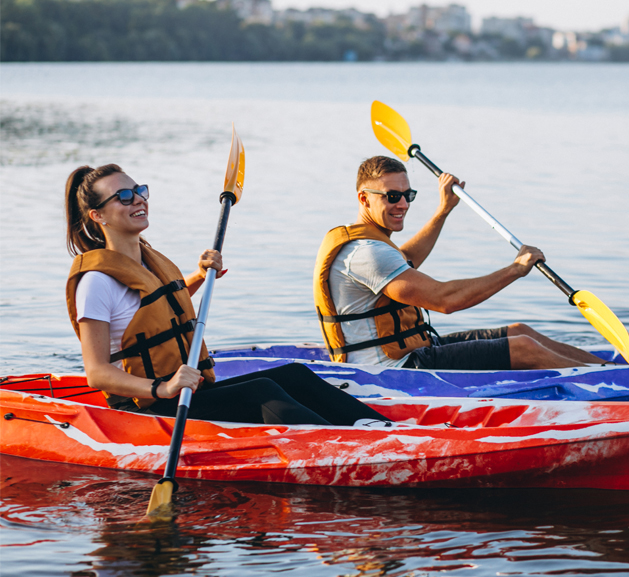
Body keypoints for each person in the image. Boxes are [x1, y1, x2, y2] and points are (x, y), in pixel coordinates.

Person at [65, 163, 389, 426]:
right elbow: (97, 373)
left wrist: (200, 275)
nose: (138, 199)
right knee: (260, 391)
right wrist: (162, 387)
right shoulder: (96, 282)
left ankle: (379, 430)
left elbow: (156, 310)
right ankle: (344, 447)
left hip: (188, 393)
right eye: (123, 196)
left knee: (294, 374)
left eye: (140, 191)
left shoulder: (147, 262)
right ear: (98, 216)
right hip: (151, 407)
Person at [313, 156, 629, 370]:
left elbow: (406, 258)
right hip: (386, 374)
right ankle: (628, 383)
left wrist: (443, 210)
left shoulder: (370, 246)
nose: (403, 204)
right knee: (524, 349)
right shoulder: (366, 253)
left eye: (408, 194)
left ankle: (620, 374)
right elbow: (446, 301)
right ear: (364, 198)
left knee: (520, 330)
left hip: (409, 352)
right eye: (392, 196)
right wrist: (514, 269)